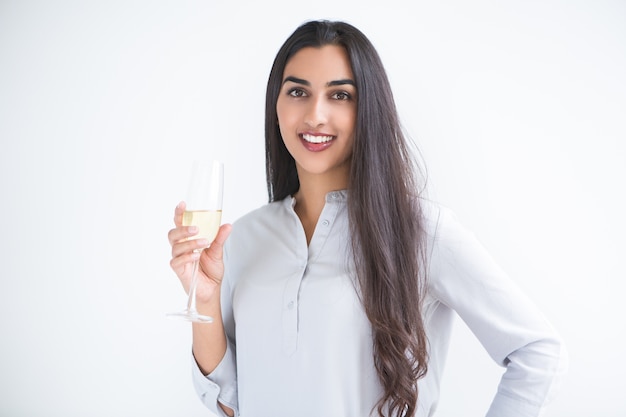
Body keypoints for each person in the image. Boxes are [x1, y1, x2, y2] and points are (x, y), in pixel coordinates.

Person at [168, 20, 567, 417]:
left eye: (339, 95)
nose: (315, 115)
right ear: (276, 105)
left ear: (368, 110)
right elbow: (230, 402)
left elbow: (537, 352)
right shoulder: (244, 236)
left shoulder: (421, 231)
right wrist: (203, 300)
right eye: (297, 91)